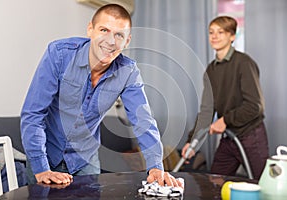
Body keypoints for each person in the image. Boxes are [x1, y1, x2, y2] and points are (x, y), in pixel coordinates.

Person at [21, 4, 182, 187]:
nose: (110, 41)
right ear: (90, 29)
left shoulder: (128, 72)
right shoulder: (59, 54)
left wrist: (155, 167)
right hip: (46, 155)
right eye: (104, 30)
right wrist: (41, 167)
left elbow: (143, 120)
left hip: (85, 160)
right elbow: (33, 114)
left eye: (119, 35)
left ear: (127, 41)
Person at [181, 16, 269, 180]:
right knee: (215, 183)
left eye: (220, 32)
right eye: (211, 32)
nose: (214, 36)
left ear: (232, 36)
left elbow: (255, 106)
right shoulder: (211, 70)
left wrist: (225, 120)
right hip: (229, 138)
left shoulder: (243, 63)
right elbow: (207, 111)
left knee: (262, 185)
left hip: (251, 136)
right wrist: (193, 142)